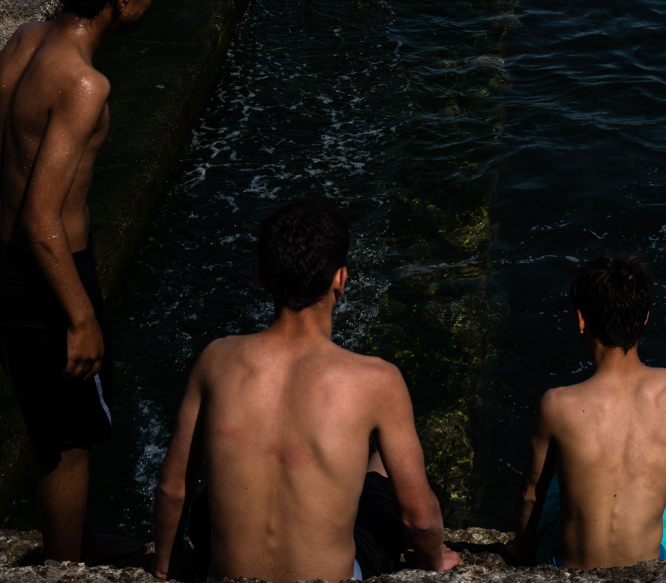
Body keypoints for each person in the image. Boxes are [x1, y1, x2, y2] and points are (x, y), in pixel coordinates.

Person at [0, 0, 158, 563]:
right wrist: (80, 316)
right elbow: (42, 215)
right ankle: (68, 566)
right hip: (43, 273)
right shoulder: (84, 83)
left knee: (49, 420)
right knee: (69, 439)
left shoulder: (24, 41)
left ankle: (72, 542)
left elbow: (10, 171)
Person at [151, 196, 457, 583]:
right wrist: (434, 564)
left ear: (263, 278)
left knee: (206, 501)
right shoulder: (378, 380)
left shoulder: (216, 359)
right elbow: (421, 519)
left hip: (224, 576)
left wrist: (166, 565)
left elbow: (171, 488)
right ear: (340, 279)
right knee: (379, 471)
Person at [515, 249, 666, 569]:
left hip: (565, 565)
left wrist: (520, 553)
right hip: (655, 562)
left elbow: (529, 496)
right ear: (645, 317)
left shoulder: (557, 404)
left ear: (581, 319)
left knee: (556, 481)